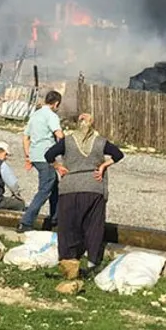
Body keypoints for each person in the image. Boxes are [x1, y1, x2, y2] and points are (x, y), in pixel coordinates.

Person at [44, 114, 124, 280]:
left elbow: (48, 155)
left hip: (70, 187)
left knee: (68, 225)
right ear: (92, 124)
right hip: (93, 186)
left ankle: (68, 260)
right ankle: (92, 262)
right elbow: (118, 154)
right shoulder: (100, 141)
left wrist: (58, 166)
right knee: (93, 226)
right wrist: (102, 165)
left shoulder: (67, 141)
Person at [19, 91, 65, 232]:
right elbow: (60, 135)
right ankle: (26, 222)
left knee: (54, 188)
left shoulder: (35, 114)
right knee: (45, 189)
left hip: (35, 155)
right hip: (46, 156)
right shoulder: (51, 116)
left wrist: (28, 156)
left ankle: (56, 219)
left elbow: (25, 137)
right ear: (56, 103)